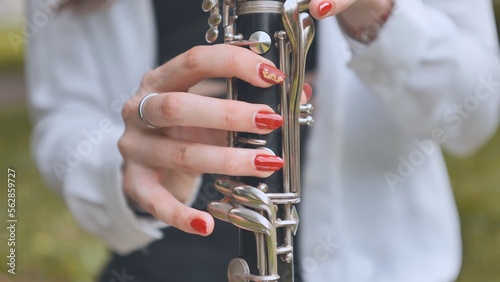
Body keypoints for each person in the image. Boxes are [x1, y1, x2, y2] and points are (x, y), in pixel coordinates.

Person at [26, 0, 500, 281]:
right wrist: (124, 169)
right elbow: (62, 117)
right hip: (159, 263)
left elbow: (474, 116)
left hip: (373, 265)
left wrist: (375, 14)